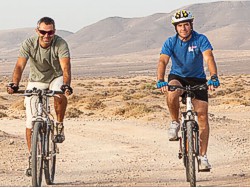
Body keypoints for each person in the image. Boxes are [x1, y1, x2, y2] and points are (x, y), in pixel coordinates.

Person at [7, 17, 73, 174]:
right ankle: (33, 158)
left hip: (56, 77)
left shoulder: (60, 43)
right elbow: (19, 65)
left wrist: (66, 84)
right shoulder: (29, 43)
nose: (46, 35)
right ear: (37, 31)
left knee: (58, 95)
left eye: (50, 32)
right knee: (30, 120)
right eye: (43, 32)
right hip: (37, 79)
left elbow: (65, 67)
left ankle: (59, 124)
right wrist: (14, 84)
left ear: (54, 32)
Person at [156, 10, 220, 171]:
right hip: (178, 76)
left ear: (191, 25)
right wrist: (160, 80)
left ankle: (203, 156)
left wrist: (213, 76)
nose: (183, 28)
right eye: (179, 25)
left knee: (203, 116)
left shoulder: (201, 39)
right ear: (175, 28)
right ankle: (175, 122)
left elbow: (209, 57)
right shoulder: (170, 42)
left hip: (197, 79)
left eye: (186, 24)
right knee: (172, 92)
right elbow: (163, 61)